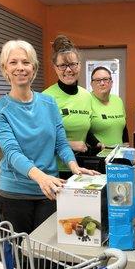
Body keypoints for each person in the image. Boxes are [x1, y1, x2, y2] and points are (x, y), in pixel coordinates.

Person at [0, 40, 97, 234]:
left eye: (26, 62)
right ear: (5, 69)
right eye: (13, 62)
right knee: (20, 254)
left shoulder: (49, 103)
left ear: (34, 67)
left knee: (46, 253)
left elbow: (61, 143)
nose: (20, 68)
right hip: (16, 193)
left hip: (49, 190)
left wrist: (74, 167)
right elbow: (12, 153)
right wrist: (41, 178)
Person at [43, 35, 97, 176]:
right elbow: (40, 139)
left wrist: (97, 143)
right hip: (54, 170)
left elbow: (85, 127)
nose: (68, 70)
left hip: (81, 168)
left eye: (73, 64)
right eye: (62, 65)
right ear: (55, 67)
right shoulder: (46, 98)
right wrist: (70, 144)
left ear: (79, 65)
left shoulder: (86, 96)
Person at [89, 66, 129, 147]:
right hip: (97, 154)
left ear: (111, 83)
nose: (102, 83)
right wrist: (97, 144)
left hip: (118, 153)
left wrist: (126, 143)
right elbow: (84, 130)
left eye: (105, 79)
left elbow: (124, 125)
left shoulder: (118, 100)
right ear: (91, 84)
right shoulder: (86, 100)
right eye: (97, 80)